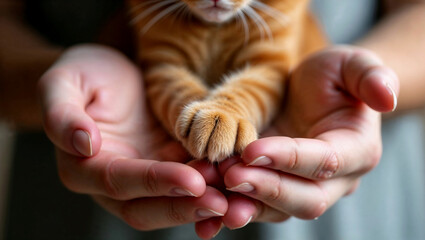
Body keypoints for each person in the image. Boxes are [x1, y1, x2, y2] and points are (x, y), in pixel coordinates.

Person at [1, 0, 424, 240]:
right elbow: (163, 67)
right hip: (84, 182)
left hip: (345, 197)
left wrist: (365, 83)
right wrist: (52, 83)